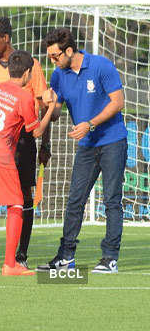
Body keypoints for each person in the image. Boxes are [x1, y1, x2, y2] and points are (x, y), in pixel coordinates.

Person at [37, 27, 127, 274]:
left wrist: (90, 124)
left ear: (69, 50)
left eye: (55, 56)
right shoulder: (58, 75)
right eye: (50, 57)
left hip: (112, 142)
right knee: (75, 201)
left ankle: (109, 258)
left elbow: (118, 102)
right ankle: (66, 257)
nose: (53, 61)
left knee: (111, 201)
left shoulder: (101, 66)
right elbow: (55, 114)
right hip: (86, 147)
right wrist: (47, 104)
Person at [0, 50, 55, 276]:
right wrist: (50, 109)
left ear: (9, 70)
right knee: (16, 205)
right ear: (27, 72)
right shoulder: (24, 97)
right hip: (0, 153)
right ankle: (10, 264)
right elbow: (35, 131)